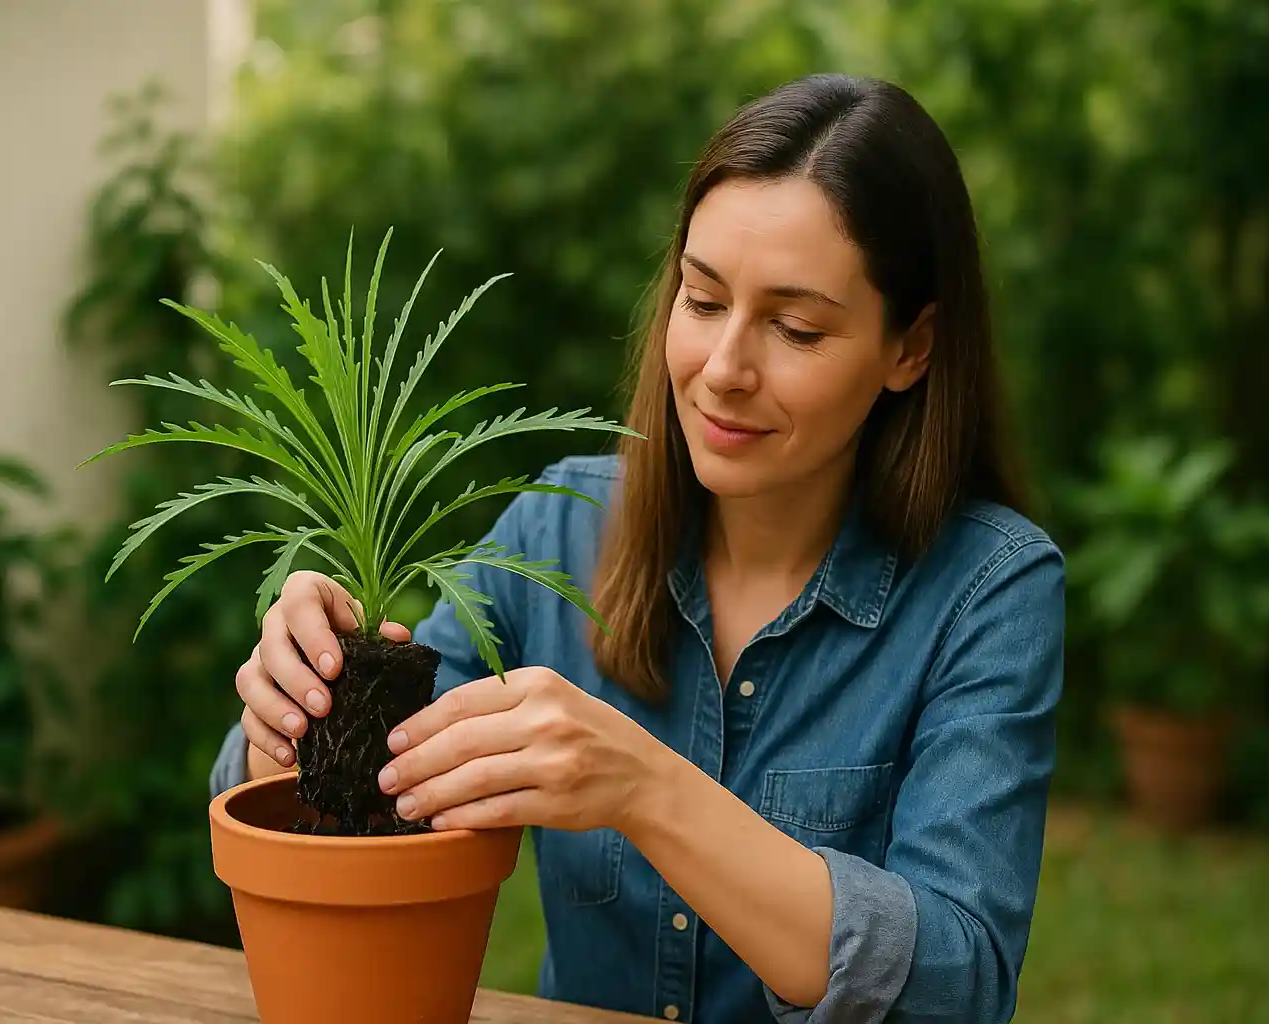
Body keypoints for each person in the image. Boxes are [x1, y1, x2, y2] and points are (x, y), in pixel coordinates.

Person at [209, 72, 1063, 1024]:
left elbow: (959, 981)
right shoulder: (561, 526)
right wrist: (292, 715)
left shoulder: (988, 590)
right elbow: (362, 796)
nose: (724, 369)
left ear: (912, 348)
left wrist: (646, 788)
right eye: (702, 302)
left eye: (796, 327)